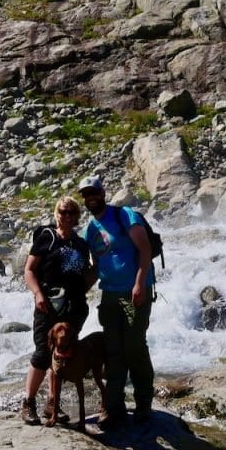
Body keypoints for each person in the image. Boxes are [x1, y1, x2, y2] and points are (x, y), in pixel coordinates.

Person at [78, 175, 155, 429]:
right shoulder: (91, 229)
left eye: (94, 193)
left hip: (135, 290)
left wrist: (139, 283)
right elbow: (97, 264)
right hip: (109, 294)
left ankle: (143, 403)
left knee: (134, 345)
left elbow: (144, 249)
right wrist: (77, 291)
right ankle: (114, 407)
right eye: (86, 195)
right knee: (113, 349)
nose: (91, 198)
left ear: (103, 193)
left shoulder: (125, 215)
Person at [20, 196, 97, 425]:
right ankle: (28, 402)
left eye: (72, 212)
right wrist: (38, 294)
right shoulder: (47, 238)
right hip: (48, 304)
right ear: (56, 213)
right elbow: (29, 270)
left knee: (64, 354)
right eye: (64, 212)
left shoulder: (81, 245)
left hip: (72, 307)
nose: (67, 216)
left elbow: (86, 277)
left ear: (77, 217)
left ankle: (52, 403)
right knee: (43, 353)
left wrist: (97, 272)